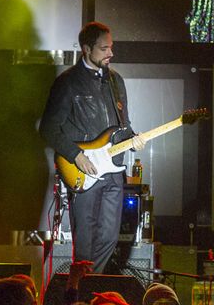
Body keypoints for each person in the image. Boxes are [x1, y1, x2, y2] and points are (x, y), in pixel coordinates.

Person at [39, 22, 144, 274]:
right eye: (104, 48)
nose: (110, 53)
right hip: (84, 170)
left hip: (113, 171)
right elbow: (48, 128)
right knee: (84, 242)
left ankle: (88, 284)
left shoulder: (116, 80)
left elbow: (124, 125)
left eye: (111, 47)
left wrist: (133, 139)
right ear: (86, 49)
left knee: (109, 238)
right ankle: (82, 290)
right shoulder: (68, 82)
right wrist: (76, 155)